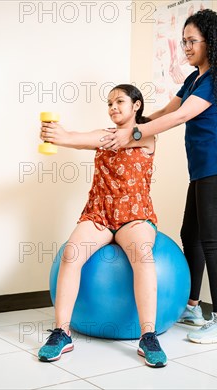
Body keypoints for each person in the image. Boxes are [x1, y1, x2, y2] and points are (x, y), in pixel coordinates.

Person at [101, 9, 217, 344]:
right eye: (183, 41)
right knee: (189, 235)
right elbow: (168, 109)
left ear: (211, 41)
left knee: (211, 241)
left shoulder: (216, 78)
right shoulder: (195, 78)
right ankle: (193, 306)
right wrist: (137, 120)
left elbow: (181, 116)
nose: (186, 47)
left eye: (192, 41)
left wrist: (134, 135)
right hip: (204, 171)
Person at [37, 84, 168, 367]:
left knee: (142, 257)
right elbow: (80, 138)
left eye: (119, 101)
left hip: (133, 215)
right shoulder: (103, 135)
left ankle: (148, 335)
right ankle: (62, 332)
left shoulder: (146, 136)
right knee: (71, 255)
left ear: (136, 105)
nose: (112, 107)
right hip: (99, 214)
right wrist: (57, 135)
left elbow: (105, 141)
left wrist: (67, 138)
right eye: (109, 103)